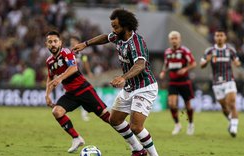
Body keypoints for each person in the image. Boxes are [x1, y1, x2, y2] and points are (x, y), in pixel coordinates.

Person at [73, 8, 159, 156]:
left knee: (136, 127)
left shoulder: (136, 42)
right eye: (112, 26)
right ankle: (138, 150)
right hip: (130, 87)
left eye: (116, 26)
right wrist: (85, 44)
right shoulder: (118, 36)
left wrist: (123, 77)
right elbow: (105, 37)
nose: (113, 29)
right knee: (115, 120)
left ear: (126, 26)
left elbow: (140, 65)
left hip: (145, 87)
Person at [45, 30, 111, 153]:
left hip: (84, 89)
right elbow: (50, 77)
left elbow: (73, 68)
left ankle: (133, 139)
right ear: (46, 44)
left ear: (60, 43)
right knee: (57, 112)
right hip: (71, 94)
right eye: (50, 42)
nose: (53, 44)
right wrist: (47, 95)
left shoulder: (66, 52)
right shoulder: (49, 61)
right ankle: (76, 138)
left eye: (55, 41)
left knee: (109, 119)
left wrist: (59, 78)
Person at [200, 29, 241, 137]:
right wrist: (206, 61)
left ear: (225, 37)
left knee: (231, 103)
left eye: (221, 35)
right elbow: (202, 64)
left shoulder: (230, 50)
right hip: (216, 83)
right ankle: (231, 120)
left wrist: (237, 63)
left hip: (229, 80)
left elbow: (237, 61)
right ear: (214, 37)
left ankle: (234, 127)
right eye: (217, 35)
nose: (219, 37)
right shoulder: (210, 51)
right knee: (224, 107)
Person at [159, 31, 196, 135]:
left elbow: (193, 63)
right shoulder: (167, 52)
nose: (174, 40)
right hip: (173, 82)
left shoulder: (184, 51)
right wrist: (163, 72)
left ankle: (190, 124)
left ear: (179, 39)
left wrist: (185, 69)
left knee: (187, 104)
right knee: (171, 104)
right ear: (170, 40)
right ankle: (177, 125)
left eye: (176, 38)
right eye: (172, 38)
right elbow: (166, 64)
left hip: (184, 81)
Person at [70, 35, 93, 121]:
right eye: (71, 41)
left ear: (78, 42)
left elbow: (85, 62)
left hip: (79, 77)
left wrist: (89, 72)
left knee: (84, 94)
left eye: (74, 41)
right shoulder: (68, 52)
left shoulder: (82, 53)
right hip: (69, 78)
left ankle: (84, 114)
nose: (72, 42)